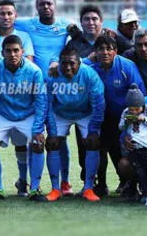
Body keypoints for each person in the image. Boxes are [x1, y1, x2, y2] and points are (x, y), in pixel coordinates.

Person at [0, 35, 47, 202]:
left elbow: (40, 102)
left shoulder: (34, 71)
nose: (12, 54)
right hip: (2, 113)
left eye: (16, 50)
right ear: (2, 52)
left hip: (27, 114)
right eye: (8, 51)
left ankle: (34, 189)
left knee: (39, 144)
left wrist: (38, 129)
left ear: (22, 52)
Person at [84, 35, 146, 197]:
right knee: (98, 149)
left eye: (108, 49)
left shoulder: (127, 67)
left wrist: (132, 121)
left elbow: (140, 95)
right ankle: (100, 185)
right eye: (100, 49)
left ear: (115, 51)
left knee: (123, 151)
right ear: (95, 52)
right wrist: (53, 63)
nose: (105, 52)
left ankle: (129, 184)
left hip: (124, 117)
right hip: (99, 116)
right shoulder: (89, 67)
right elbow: (72, 63)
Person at [44, 47, 104, 202]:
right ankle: (56, 189)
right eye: (64, 63)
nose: (68, 67)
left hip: (85, 113)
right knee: (52, 143)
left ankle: (88, 188)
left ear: (79, 62)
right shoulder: (53, 76)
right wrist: (51, 130)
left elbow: (98, 105)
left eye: (72, 63)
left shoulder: (89, 75)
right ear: (59, 63)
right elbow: (47, 106)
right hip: (61, 113)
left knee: (93, 141)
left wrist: (93, 129)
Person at [0, 0, 33, 69]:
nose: (6, 17)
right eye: (2, 14)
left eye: (9, 13)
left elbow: (29, 65)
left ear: (15, 16)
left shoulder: (24, 37)